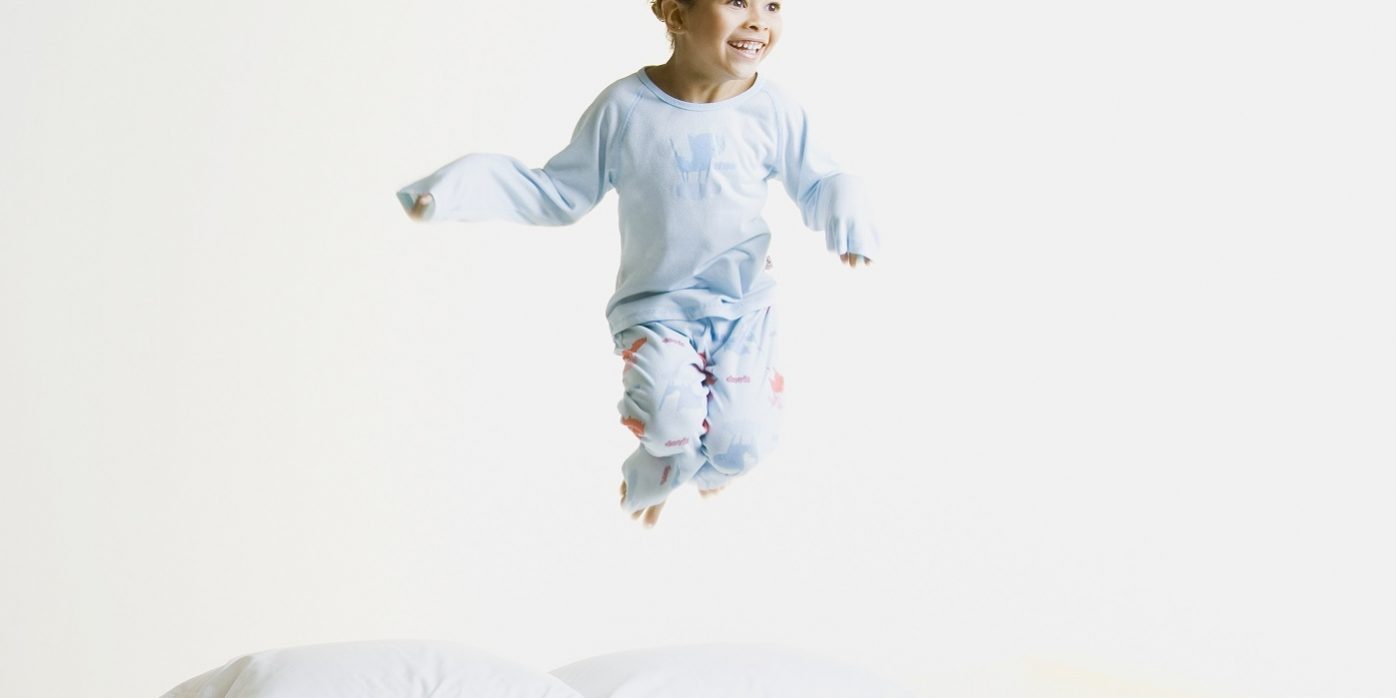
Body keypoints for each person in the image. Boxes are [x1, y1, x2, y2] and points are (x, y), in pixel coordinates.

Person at [397, 0, 880, 528]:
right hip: (656, 308)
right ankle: (664, 459)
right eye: (736, 2)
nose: (759, 20)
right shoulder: (626, 107)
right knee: (667, 419)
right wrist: (455, 190)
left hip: (742, 308)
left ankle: (700, 469)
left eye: (773, 4)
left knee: (741, 444)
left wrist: (845, 205)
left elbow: (820, 179)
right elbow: (558, 193)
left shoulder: (773, 109)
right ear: (675, 15)